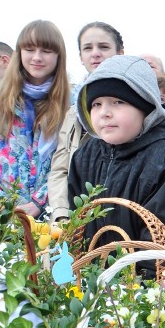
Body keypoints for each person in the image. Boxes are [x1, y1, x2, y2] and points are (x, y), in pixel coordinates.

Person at [68, 55, 165, 266]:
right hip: (97, 283)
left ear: (146, 107)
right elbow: (78, 223)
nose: (104, 113)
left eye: (118, 102)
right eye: (96, 104)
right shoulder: (85, 155)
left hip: (150, 288)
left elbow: (164, 246)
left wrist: (136, 291)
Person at [0, 21, 70, 217]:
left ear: (59, 56)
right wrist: (2, 203)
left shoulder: (70, 106)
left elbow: (70, 164)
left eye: (46, 51)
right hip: (1, 217)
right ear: (19, 53)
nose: (37, 57)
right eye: (30, 49)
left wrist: (39, 202)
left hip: (50, 216)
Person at [48, 21, 125, 222]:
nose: (95, 53)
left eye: (104, 47)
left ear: (121, 52)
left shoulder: (134, 107)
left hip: (119, 220)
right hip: (76, 221)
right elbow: (59, 170)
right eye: (87, 48)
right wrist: (62, 215)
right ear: (81, 57)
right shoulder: (74, 113)